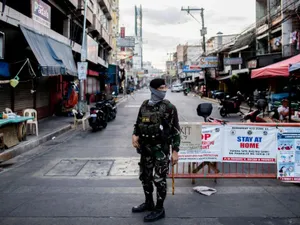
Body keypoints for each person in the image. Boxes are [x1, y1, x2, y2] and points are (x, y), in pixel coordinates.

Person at [132, 78, 181, 222]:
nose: (164, 90)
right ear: (153, 89)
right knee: (145, 177)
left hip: (161, 150)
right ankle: (149, 202)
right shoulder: (144, 105)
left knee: (159, 180)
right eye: (161, 88)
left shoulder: (169, 107)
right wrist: (134, 135)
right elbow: (138, 123)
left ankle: (159, 209)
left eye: (165, 87)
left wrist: (175, 151)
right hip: (145, 149)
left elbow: (176, 130)